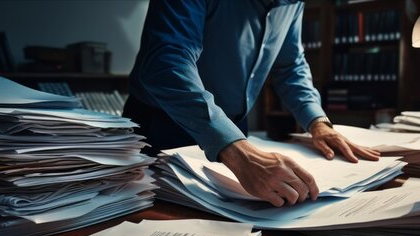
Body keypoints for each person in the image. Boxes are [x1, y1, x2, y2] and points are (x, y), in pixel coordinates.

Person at [124, 0, 381, 207]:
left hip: (235, 133)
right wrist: (236, 149)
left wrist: (317, 122)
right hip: (161, 124)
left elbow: (290, 66)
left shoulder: (293, 3)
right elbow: (166, 65)